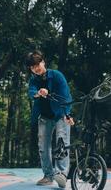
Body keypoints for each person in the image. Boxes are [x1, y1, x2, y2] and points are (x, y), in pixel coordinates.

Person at [26, 50, 74, 188]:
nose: (36, 68)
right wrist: (38, 92)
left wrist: (67, 115)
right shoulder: (34, 79)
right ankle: (48, 175)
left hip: (60, 114)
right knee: (43, 146)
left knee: (62, 142)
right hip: (45, 117)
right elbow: (31, 91)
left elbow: (65, 96)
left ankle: (62, 175)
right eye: (32, 67)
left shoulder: (57, 75)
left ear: (43, 62)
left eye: (37, 64)